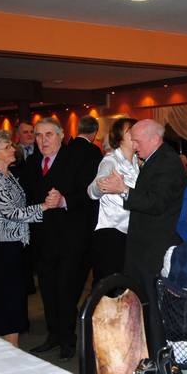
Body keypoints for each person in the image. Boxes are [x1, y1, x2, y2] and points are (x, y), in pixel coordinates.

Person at [97, 119, 187, 358]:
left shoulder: (167, 162)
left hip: (154, 250)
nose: (134, 146)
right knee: (144, 304)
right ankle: (148, 355)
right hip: (144, 248)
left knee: (154, 309)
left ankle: (158, 359)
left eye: (137, 141)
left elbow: (156, 203)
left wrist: (124, 190)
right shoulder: (156, 159)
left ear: (154, 139)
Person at [0, 130, 59, 346]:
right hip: (0, 245)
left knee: (13, 296)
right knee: (8, 298)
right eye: (7, 147)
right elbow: (11, 213)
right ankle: (9, 348)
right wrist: (44, 207)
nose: (13, 149)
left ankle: (10, 346)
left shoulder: (6, 173)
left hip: (12, 242)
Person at [22, 117, 93, 361]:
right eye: (38, 135)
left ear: (61, 135)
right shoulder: (33, 162)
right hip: (42, 240)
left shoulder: (76, 159)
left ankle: (67, 340)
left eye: (49, 134)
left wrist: (64, 200)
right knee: (48, 291)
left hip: (70, 239)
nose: (43, 140)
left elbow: (89, 195)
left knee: (66, 290)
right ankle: (53, 335)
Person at [87, 118, 139, 283]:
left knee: (127, 284)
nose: (136, 134)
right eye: (130, 131)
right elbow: (91, 191)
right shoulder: (110, 160)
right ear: (119, 137)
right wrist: (101, 185)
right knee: (109, 284)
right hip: (112, 232)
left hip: (132, 233)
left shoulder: (138, 161)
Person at [68, 116, 103, 291]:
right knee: (88, 252)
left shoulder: (67, 149)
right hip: (88, 207)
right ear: (95, 132)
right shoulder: (94, 151)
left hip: (69, 206)